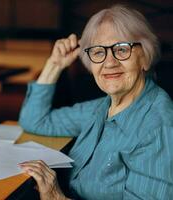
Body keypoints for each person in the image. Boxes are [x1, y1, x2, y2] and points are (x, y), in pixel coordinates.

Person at [18, 4, 173, 200]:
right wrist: (54, 65)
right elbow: (35, 120)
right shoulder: (104, 107)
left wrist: (57, 197)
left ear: (146, 58)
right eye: (99, 52)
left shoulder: (158, 126)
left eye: (122, 49)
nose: (109, 62)